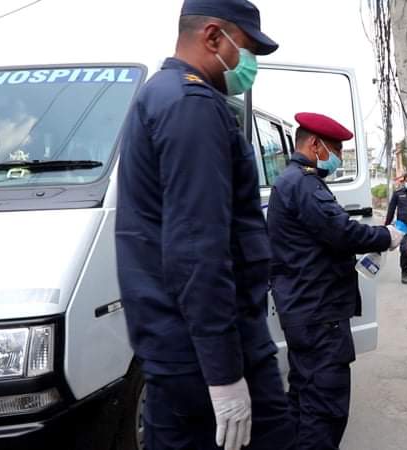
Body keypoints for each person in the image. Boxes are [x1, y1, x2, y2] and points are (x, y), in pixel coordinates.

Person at [115, 1, 293, 449]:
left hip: (178, 346)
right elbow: (199, 249)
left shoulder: (163, 93)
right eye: (246, 49)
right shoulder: (192, 105)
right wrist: (224, 374)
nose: (248, 64)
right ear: (213, 37)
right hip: (205, 354)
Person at [267, 112, 402, 450]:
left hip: (305, 309)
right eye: (337, 149)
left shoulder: (292, 181)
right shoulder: (304, 183)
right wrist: (386, 236)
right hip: (319, 313)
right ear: (315, 144)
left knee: (303, 397)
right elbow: (340, 232)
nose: (339, 157)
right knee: (324, 409)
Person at [385, 173, 407, 283]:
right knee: (405, 250)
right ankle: (404, 272)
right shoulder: (398, 194)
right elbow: (391, 210)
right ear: (404, 181)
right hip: (402, 227)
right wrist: (387, 225)